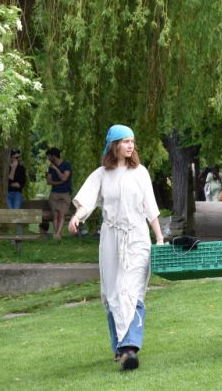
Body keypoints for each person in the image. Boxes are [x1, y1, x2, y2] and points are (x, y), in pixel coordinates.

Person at [68, 124, 163, 371]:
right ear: (115, 145)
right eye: (126, 141)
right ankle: (120, 347)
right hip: (111, 239)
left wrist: (159, 237)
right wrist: (77, 217)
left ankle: (130, 348)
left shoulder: (140, 172)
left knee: (132, 290)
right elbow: (87, 200)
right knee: (113, 292)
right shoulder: (102, 174)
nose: (131, 145)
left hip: (137, 237)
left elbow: (150, 207)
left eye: (133, 141)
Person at [46, 147, 72, 240]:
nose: (48, 158)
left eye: (49, 156)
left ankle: (57, 234)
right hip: (54, 194)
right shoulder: (51, 167)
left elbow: (64, 178)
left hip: (65, 194)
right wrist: (59, 183)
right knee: (55, 215)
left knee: (61, 214)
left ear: (53, 156)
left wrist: (56, 169)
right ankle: (57, 235)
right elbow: (48, 181)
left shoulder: (66, 165)